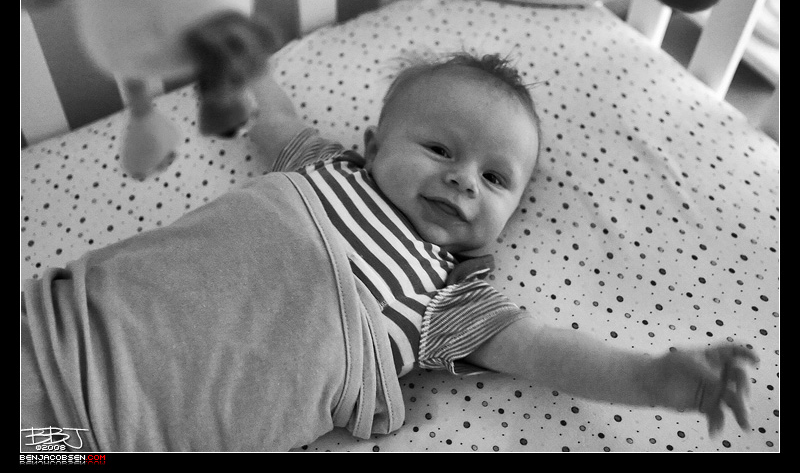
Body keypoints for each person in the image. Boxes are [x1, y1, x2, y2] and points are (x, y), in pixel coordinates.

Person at [20, 52, 757, 452]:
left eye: (495, 179)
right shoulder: (326, 166)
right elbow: (271, 114)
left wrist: (652, 379)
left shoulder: (450, 296)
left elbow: (546, 351)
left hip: (113, 435)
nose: (463, 179)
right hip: (73, 323)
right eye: (440, 148)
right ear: (372, 148)